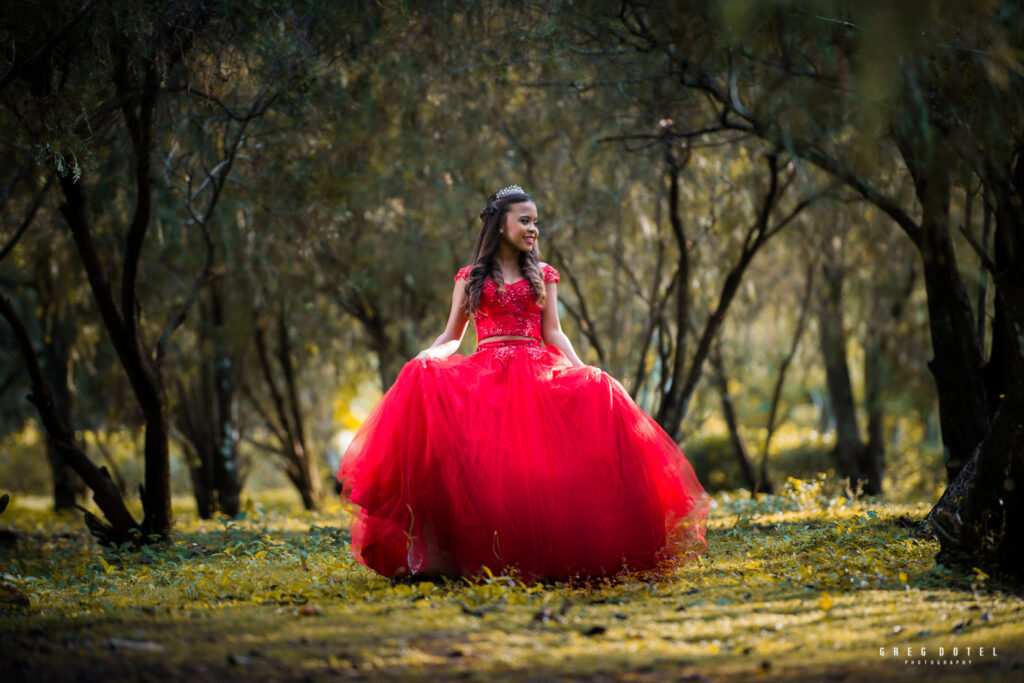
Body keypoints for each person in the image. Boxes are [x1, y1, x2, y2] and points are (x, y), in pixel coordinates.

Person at [339, 185, 710, 582]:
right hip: (485, 378)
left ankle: (553, 557)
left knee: (536, 471)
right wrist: (428, 356)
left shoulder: (543, 274)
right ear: (501, 224)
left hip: (536, 376)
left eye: (536, 222)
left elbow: (554, 332)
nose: (534, 229)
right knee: (483, 472)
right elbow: (452, 336)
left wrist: (584, 369)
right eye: (525, 221)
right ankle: (452, 560)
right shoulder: (469, 278)